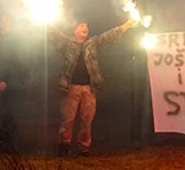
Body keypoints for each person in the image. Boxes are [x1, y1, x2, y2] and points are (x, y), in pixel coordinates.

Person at [49, 19, 138, 157]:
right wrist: (48, 22)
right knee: (68, 118)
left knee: (87, 119)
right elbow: (54, 34)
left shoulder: (93, 43)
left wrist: (124, 26)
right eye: (81, 25)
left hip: (89, 88)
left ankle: (84, 148)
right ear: (75, 30)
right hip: (71, 87)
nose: (85, 27)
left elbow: (108, 37)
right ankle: (64, 145)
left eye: (87, 26)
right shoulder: (67, 44)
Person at [0, 13, 26, 152]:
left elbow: (18, 62)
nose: (5, 22)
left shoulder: (16, 40)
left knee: (12, 114)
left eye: (8, 20)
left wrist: (9, 80)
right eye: (2, 19)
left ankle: (11, 146)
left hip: (14, 83)